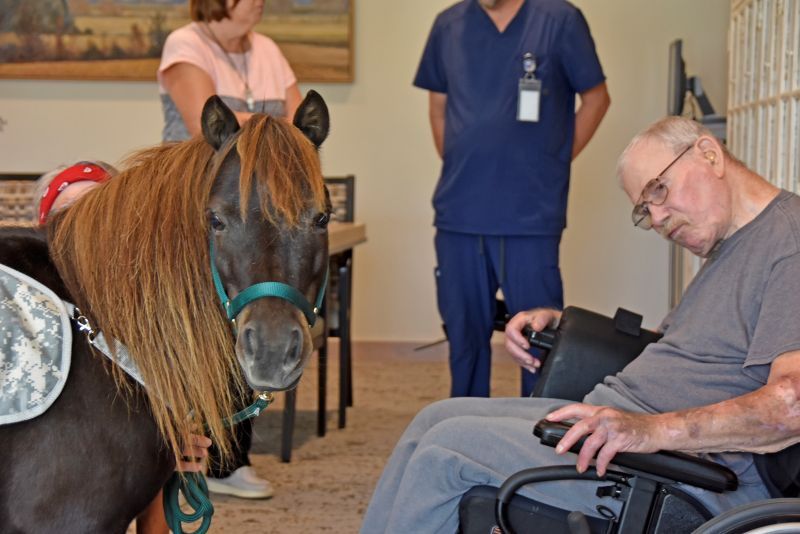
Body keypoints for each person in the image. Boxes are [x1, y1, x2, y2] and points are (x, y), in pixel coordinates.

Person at [360, 116, 800, 533]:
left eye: (659, 191)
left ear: (708, 154)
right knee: (435, 417)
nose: (659, 220)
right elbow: (678, 356)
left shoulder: (789, 242)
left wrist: (649, 431)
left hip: (682, 470)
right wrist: (567, 326)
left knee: (447, 449)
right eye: (646, 210)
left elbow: (789, 405)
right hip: (623, 424)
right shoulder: (732, 244)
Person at [414, 0, 611, 398]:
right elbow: (438, 107)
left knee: (539, 340)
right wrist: (456, 158)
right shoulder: (448, 25)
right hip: (460, 212)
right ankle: (464, 427)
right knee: (464, 336)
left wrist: (555, 159)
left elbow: (597, 98)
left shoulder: (559, 20)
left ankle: (532, 436)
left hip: (530, 214)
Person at [157, 0, 291, 498]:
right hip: (197, 208)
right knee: (201, 331)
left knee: (251, 314)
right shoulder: (185, 45)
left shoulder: (269, 51)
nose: (258, 2)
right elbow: (205, 126)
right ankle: (186, 455)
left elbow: (298, 130)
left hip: (257, 215)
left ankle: (231, 458)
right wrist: (273, 131)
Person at [35, 162, 214, 534]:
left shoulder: (143, 321)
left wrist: (167, 444)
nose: (80, 231)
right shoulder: (22, 311)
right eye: (66, 216)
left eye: (96, 212)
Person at [157, 0, 301, 142]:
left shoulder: (268, 47)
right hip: (197, 165)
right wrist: (277, 126)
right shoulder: (185, 43)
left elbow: (300, 125)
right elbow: (207, 127)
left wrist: (247, 122)